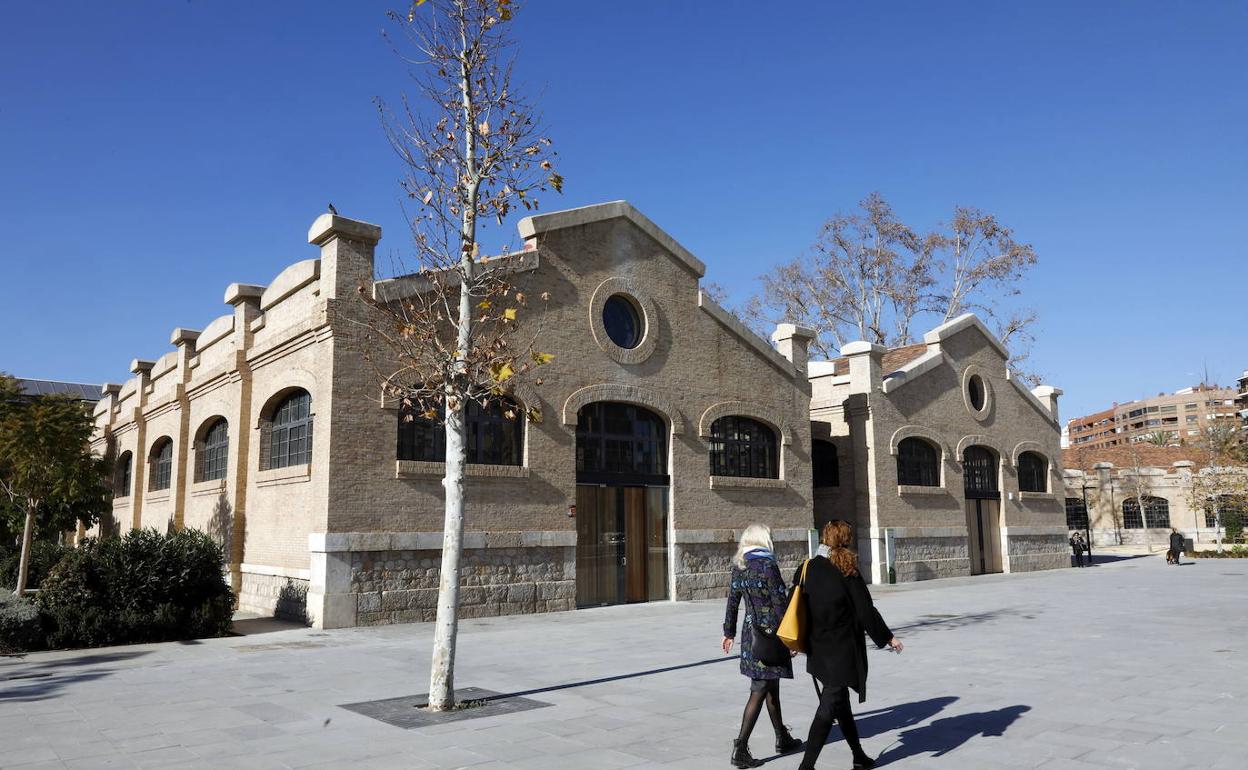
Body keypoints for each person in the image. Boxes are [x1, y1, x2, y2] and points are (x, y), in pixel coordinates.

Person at [794, 521, 903, 770]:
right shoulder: (847, 569)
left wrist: (796, 640)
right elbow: (865, 610)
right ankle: (806, 766)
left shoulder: (807, 567)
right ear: (845, 540)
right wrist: (888, 637)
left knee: (840, 702)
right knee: (829, 704)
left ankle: (858, 756)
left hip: (817, 647)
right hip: (841, 650)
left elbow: (796, 604)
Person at [722, 524, 804, 768]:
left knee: (770, 685)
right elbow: (781, 603)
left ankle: (782, 737)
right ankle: (740, 747)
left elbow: (732, 602)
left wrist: (728, 632)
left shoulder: (740, 566)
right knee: (760, 687)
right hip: (772, 636)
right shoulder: (768, 566)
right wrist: (790, 638)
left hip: (751, 636)